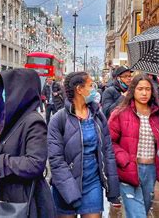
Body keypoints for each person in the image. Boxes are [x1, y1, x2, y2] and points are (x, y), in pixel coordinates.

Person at [0, 68, 55, 217]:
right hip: (9, 198)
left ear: (20, 91)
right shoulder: (15, 119)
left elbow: (35, 164)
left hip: (26, 200)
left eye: (7, 90)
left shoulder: (34, 122)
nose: (3, 95)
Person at [48, 71, 120, 217]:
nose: (94, 89)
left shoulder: (98, 116)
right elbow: (55, 160)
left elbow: (108, 152)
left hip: (92, 182)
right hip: (65, 184)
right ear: (79, 89)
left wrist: (113, 189)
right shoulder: (58, 119)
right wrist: (70, 192)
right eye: (90, 85)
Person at [108, 74, 159, 217]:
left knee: (143, 211)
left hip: (150, 171)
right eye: (140, 89)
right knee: (138, 215)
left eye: (147, 89)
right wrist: (124, 160)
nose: (144, 93)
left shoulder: (158, 116)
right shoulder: (120, 113)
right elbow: (109, 142)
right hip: (128, 170)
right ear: (133, 90)